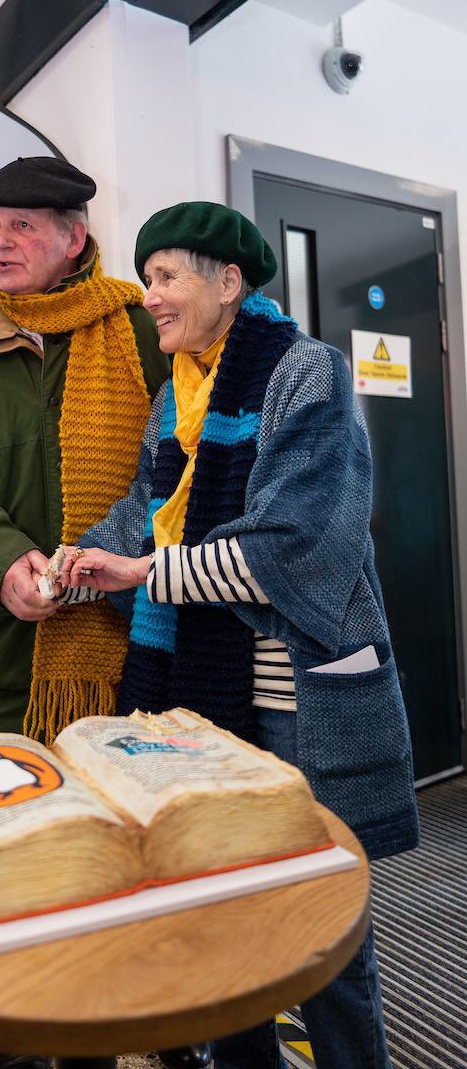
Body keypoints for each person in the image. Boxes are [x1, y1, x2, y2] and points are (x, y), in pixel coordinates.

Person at [60, 201, 420, 1069]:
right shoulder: (173, 393)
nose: (150, 297)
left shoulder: (309, 373)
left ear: (230, 282)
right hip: (204, 705)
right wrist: (75, 560)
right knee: (222, 917)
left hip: (298, 698)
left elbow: (292, 546)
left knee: (322, 930)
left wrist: (144, 572)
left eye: (166, 276)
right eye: (146, 279)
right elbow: (150, 515)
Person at [0, 159, 209, 1069]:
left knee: (137, 856)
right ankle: (23, 1046)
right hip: (14, 665)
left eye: (24, 226)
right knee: (19, 868)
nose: (0, 243)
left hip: (142, 648)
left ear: (76, 236)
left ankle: (143, 1025)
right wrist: (0, 564)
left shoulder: (140, 329)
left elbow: (191, 455)